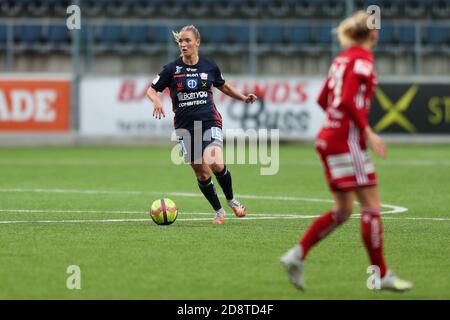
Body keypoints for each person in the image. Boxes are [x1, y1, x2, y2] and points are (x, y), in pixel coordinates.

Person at [280, 12, 413, 292]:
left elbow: (323, 99)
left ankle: (297, 255)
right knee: (372, 206)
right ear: (373, 34)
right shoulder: (363, 60)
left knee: (343, 210)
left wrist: (335, 123)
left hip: (328, 137)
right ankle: (381, 274)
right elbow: (348, 98)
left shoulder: (340, 60)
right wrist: (365, 130)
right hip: (347, 141)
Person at [147, 25, 257, 225]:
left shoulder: (209, 66)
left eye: (187, 40)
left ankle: (232, 201)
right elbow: (152, 89)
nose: (183, 44)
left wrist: (242, 97)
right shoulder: (172, 69)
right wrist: (156, 100)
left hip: (209, 120)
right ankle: (218, 212)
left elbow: (223, 85)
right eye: (180, 41)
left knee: (214, 160)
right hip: (185, 128)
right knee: (201, 171)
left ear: (197, 42)